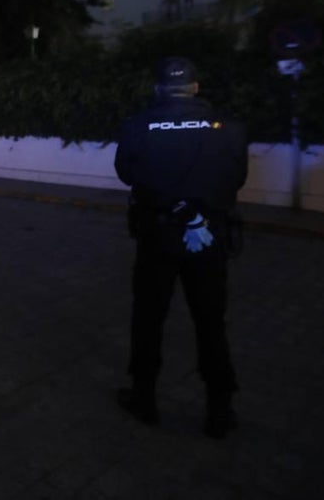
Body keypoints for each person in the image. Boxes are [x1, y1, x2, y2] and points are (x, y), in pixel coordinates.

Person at [114, 56, 248, 439]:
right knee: (210, 322)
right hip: (208, 238)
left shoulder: (138, 126)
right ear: (196, 87)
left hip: (157, 238)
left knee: (148, 318)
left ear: (158, 89)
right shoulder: (230, 128)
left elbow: (126, 173)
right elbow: (236, 178)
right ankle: (219, 409)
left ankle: (144, 398)